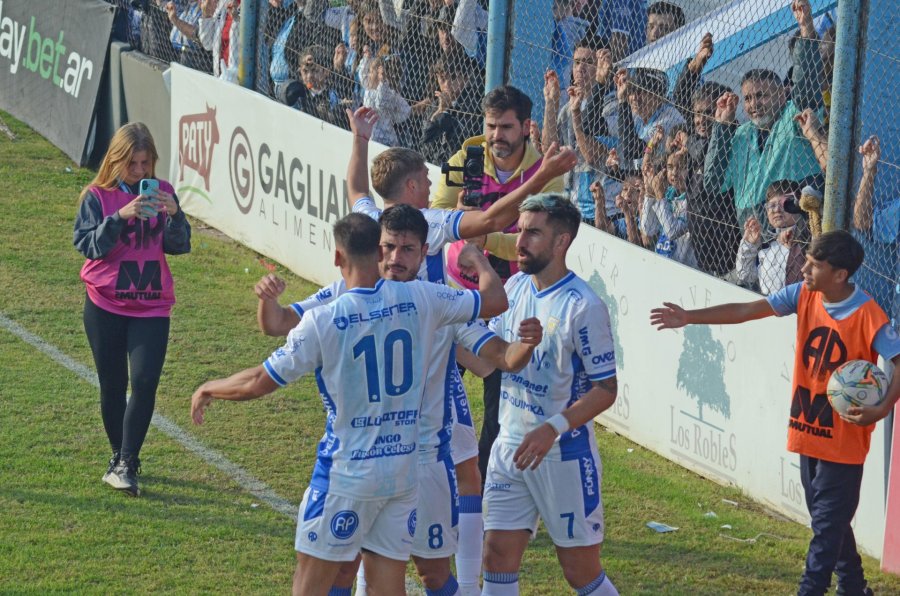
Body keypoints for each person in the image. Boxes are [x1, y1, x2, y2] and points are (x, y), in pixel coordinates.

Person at [191, 212, 508, 596]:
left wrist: (210, 387)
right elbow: (494, 302)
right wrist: (479, 263)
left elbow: (259, 382)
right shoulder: (423, 297)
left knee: (310, 586)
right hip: (401, 473)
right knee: (385, 587)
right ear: (379, 252)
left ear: (337, 257)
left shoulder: (324, 320)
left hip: (347, 474)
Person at [651, 230, 900, 596]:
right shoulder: (802, 294)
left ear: (840, 275)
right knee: (828, 521)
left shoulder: (869, 314)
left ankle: (811, 589)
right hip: (808, 429)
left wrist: (880, 408)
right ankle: (853, 587)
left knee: (826, 527)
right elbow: (747, 311)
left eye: (814, 266)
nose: (805, 270)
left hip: (844, 442)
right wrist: (689, 316)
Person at [482, 193, 620, 596]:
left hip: (563, 455)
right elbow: (494, 357)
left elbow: (606, 389)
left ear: (561, 242)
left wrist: (552, 428)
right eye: (520, 230)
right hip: (510, 447)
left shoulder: (584, 306)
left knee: (580, 571)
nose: (520, 241)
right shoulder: (514, 286)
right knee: (496, 556)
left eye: (533, 233)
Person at [431, 85, 567, 486]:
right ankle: (435, 470)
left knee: (501, 397)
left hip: (510, 301)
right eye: (491, 126)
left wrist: (481, 234)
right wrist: (461, 221)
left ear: (525, 127)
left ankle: (486, 484)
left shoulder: (546, 175)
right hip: (459, 295)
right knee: (435, 385)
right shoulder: (465, 158)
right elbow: (435, 216)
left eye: (505, 127)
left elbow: (534, 245)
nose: (496, 136)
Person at [73, 122, 192, 497]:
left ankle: (127, 461)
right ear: (116, 160)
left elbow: (179, 245)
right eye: (132, 164)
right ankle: (118, 456)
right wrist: (120, 217)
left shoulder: (163, 192)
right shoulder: (97, 196)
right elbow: (88, 245)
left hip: (152, 305)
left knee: (144, 382)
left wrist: (175, 215)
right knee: (113, 385)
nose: (140, 171)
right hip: (105, 305)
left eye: (145, 163)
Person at [703, 0, 824, 226]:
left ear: (782, 94)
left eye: (761, 95)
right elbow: (713, 183)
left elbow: (807, 86)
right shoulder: (740, 135)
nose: (754, 104)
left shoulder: (793, 116)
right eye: (748, 98)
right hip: (754, 235)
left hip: (799, 226)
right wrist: (722, 127)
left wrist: (806, 29)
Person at [735, 180, 809, 295]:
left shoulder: (808, 236)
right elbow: (745, 274)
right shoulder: (767, 245)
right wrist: (749, 244)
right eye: (772, 205)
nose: (776, 210)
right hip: (770, 301)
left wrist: (796, 242)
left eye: (784, 204)